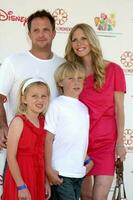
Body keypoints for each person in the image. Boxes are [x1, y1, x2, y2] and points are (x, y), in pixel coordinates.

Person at [65, 23, 126, 200]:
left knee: (99, 197)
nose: (79, 43)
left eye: (83, 38)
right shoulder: (72, 75)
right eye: (74, 40)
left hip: (106, 144)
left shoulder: (114, 70)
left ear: (92, 40)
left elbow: (119, 109)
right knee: (85, 195)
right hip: (81, 145)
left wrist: (120, 142)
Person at [0, 9, 64, 149]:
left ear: (53, 33)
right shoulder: (13, 61)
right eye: (36, 30)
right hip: (20, 146)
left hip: (52, 147)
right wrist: (2, 126)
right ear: (29, 34)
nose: (41, 34)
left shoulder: (63, 65)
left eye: (46, 29)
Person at [45, 61, 94, 200]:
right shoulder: (56, 105)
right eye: (71, 78)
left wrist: (87, 160)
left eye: (80, 78)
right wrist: (48, 169)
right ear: (60, 82)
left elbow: (78, 139)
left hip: (78, 172)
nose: (76, 82)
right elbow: (48, 139)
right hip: (60, 172)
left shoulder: (84, 109)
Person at [2, 78, 51, 200]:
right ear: (24, 99)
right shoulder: (19, 121)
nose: (40, 100)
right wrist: (21, 186)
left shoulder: (44, 122)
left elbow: (43, 154)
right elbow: (11, 157)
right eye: (34, 96)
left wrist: (46, 181)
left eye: (43, 96)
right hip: (21, 176)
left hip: (38, 175)